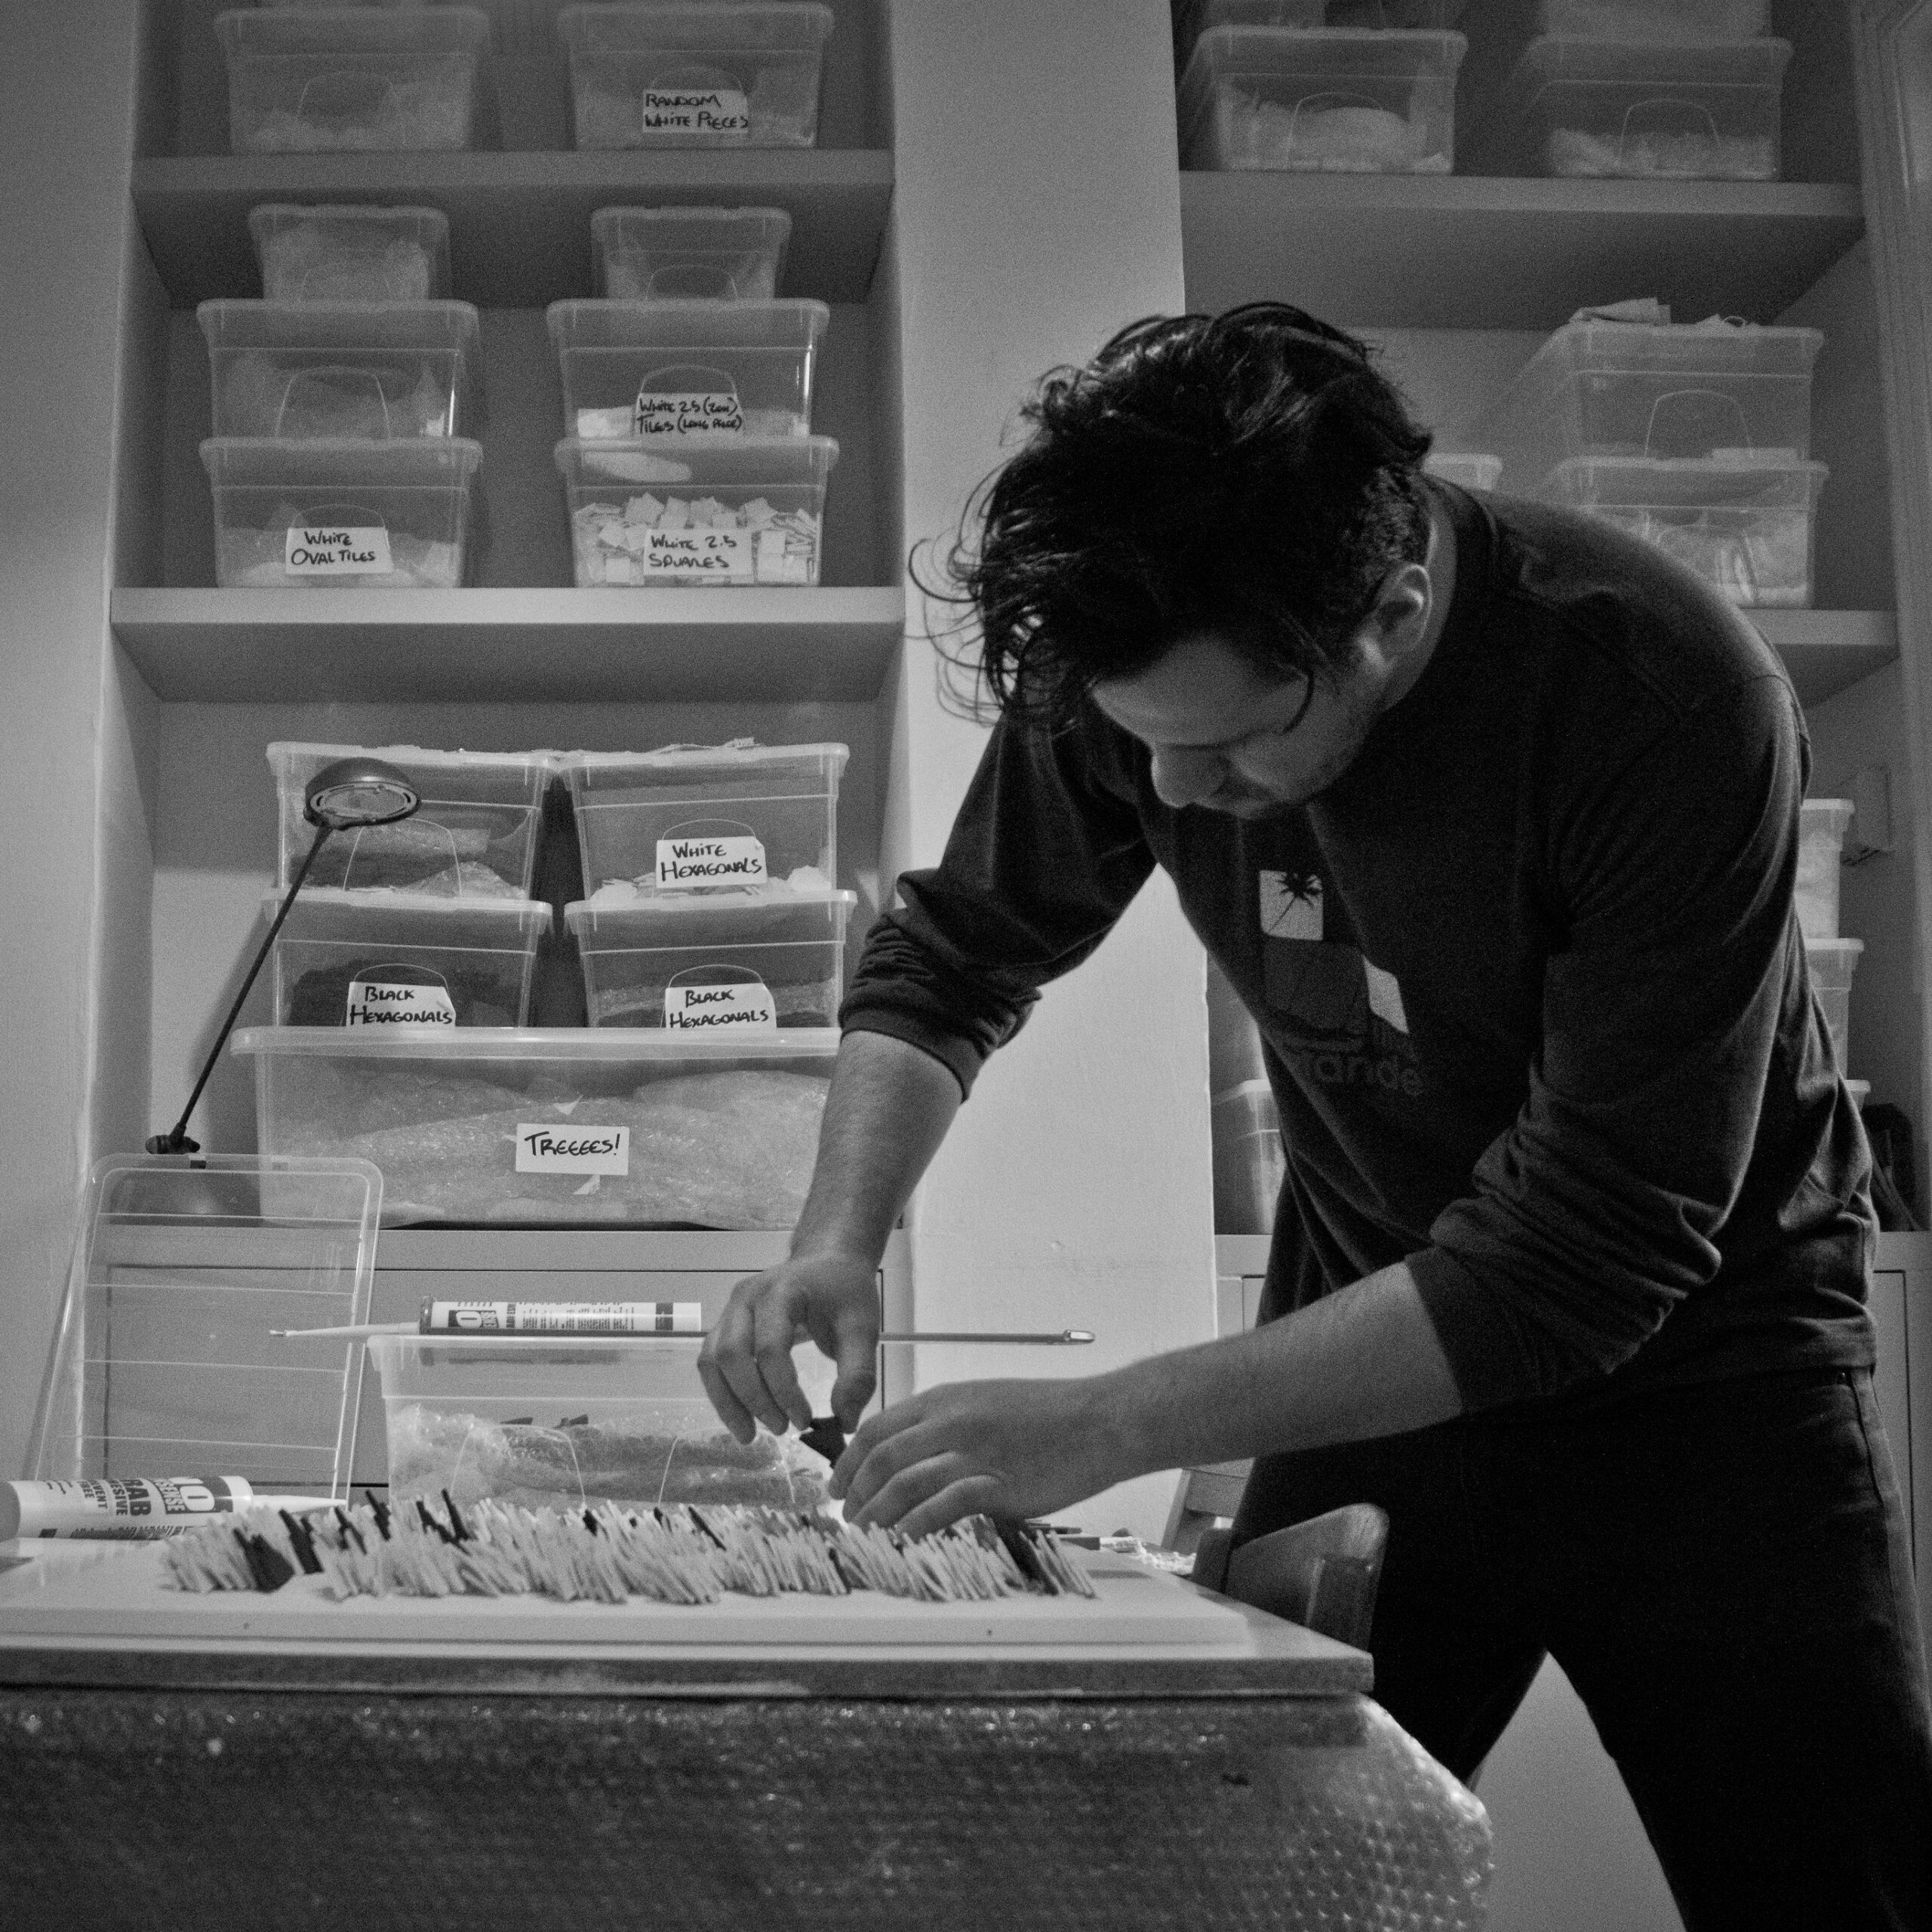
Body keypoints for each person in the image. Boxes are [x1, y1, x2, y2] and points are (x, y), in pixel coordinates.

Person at [697, 303, 1932, 1927]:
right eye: (1143, 746)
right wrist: (833, 1241)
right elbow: (951, 958)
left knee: (1833, 1896)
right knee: (1249, 1893)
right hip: (1378, 1358)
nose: (1174, 794)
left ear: (1391, 612)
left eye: (1225, 748)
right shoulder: (1139, 644)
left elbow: (1584, 1255)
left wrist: (1104, 1423)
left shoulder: (1660, 696)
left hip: (1714, 1386)